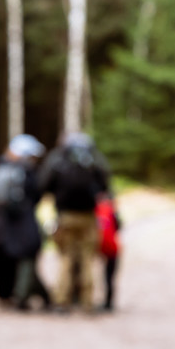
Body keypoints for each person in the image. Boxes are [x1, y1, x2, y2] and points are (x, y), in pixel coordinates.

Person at [39, 131, 111, 313]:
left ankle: (62, 301)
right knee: (87, 259)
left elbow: (45, 185)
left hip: (65, 217)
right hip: (88, 217)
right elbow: (105, 184)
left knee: (65, 259)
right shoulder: (93, 159)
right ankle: (87, 302)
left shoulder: (59, 159)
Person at [0, 134, 51, 311]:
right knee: (25, 259)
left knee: (3, 258)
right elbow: (37, 195)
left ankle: (5, 295)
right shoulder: (26, 172)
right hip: (22, 224)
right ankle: (23, 295)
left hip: (0, 224)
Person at [95, 193, 121, 311]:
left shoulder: (95, 210)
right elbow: (118, 227)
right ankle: (109, 302)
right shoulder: (112, 211)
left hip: (97, 247)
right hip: (112, 248)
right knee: (109, 277)